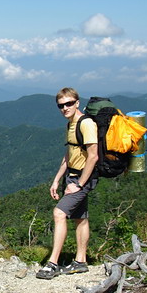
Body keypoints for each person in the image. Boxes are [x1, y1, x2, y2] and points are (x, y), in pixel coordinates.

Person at [36, 88, 99, 279]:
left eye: (69, 103)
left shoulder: (86, 124)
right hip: (72, 176)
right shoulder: (71, 124)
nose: (65, 108)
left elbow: (93, 156)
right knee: (81, 218)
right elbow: (70, 154)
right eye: (61, 105)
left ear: (78, 103)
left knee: (59, 213)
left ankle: (53, 263)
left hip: (83, 177)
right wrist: (56, 180)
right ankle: (81, 261)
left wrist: (79, 184)